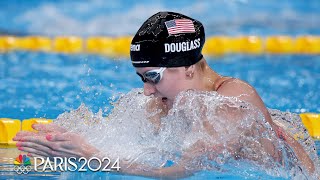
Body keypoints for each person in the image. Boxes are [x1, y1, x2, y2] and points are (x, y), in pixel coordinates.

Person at [13, 11, 316, 178]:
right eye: (142, 78)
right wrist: (69, 138)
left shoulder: (230, 103)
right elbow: (133, 143)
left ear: (185, 66)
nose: (147, 91)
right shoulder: (169, 100)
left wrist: (92, 156)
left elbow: (178, 174)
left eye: (153, 77)